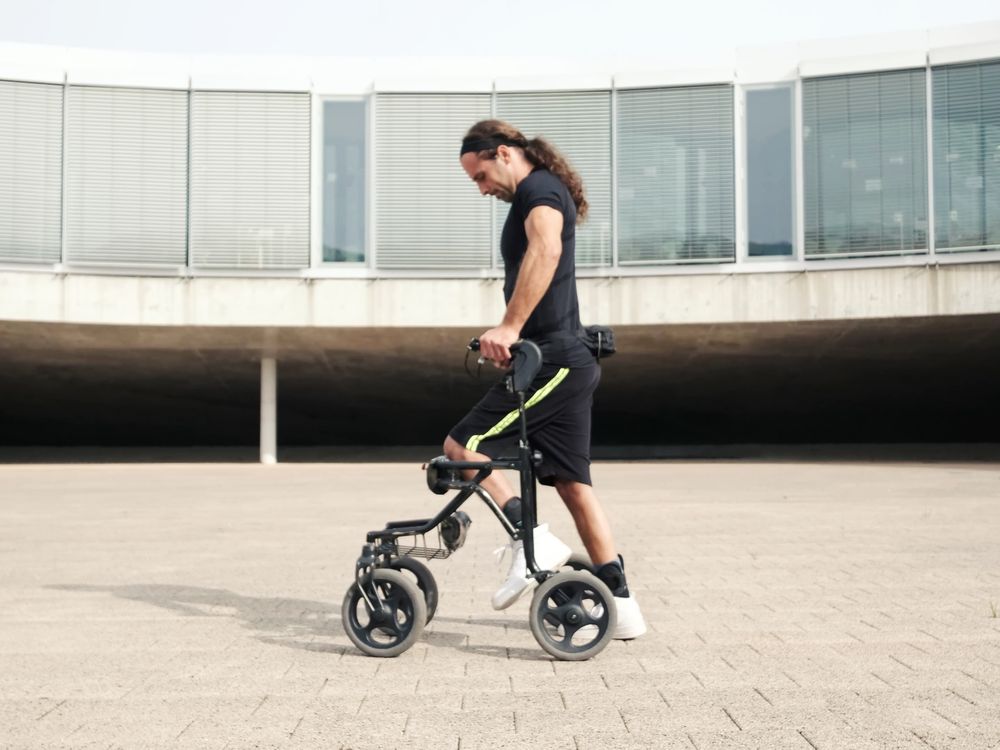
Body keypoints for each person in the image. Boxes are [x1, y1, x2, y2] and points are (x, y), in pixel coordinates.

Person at [443, 119, 646, 640]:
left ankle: (529, 537)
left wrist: (510, 327)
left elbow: (547, 250)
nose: (482, 189)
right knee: (575, 486)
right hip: (563, 359)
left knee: (463, 446)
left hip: (556, 361)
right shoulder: (538, 192)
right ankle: (621, 608)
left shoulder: (539, 192)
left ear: (504, 154)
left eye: (480, 176)